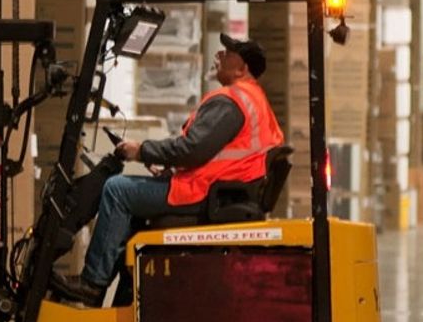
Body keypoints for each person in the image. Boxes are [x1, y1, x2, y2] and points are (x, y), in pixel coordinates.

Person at [73, 33, 284, 307]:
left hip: (204, 193)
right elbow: (215, 154)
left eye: (228, 53)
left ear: (242, 68)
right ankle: (122, 301)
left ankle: (92, 284)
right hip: (220, 190)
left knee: (117, 190)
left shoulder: (231, 101)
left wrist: (141, 150)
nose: (219, 55)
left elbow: (192, 149)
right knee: (133, 209)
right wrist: (167, 165)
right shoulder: (254, 100)